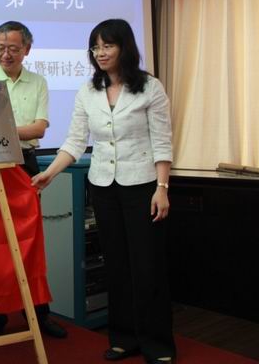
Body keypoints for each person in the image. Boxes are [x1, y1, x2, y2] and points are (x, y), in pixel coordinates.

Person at [32, 19, 175, 364]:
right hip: (103, 186)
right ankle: (124, 339)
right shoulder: (88, 90)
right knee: (117, 266)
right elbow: (75, 141)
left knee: (147, 267)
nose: (100, 53)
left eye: (107, 45)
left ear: (125, 47)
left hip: (142, 187)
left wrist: (162, 188)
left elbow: (162, 141)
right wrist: (49, 173)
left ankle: (157, 344)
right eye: (95, 47)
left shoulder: (149, 87)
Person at [0, 21, 67, 339]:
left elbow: (39, 129)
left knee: (30, 241)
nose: (6, 54)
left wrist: (0, 127)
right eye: (0, 48)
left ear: (27, 49)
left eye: (13, 48)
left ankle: (38, 314)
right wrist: (10, 129)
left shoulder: (38, 82)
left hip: (25, 163)